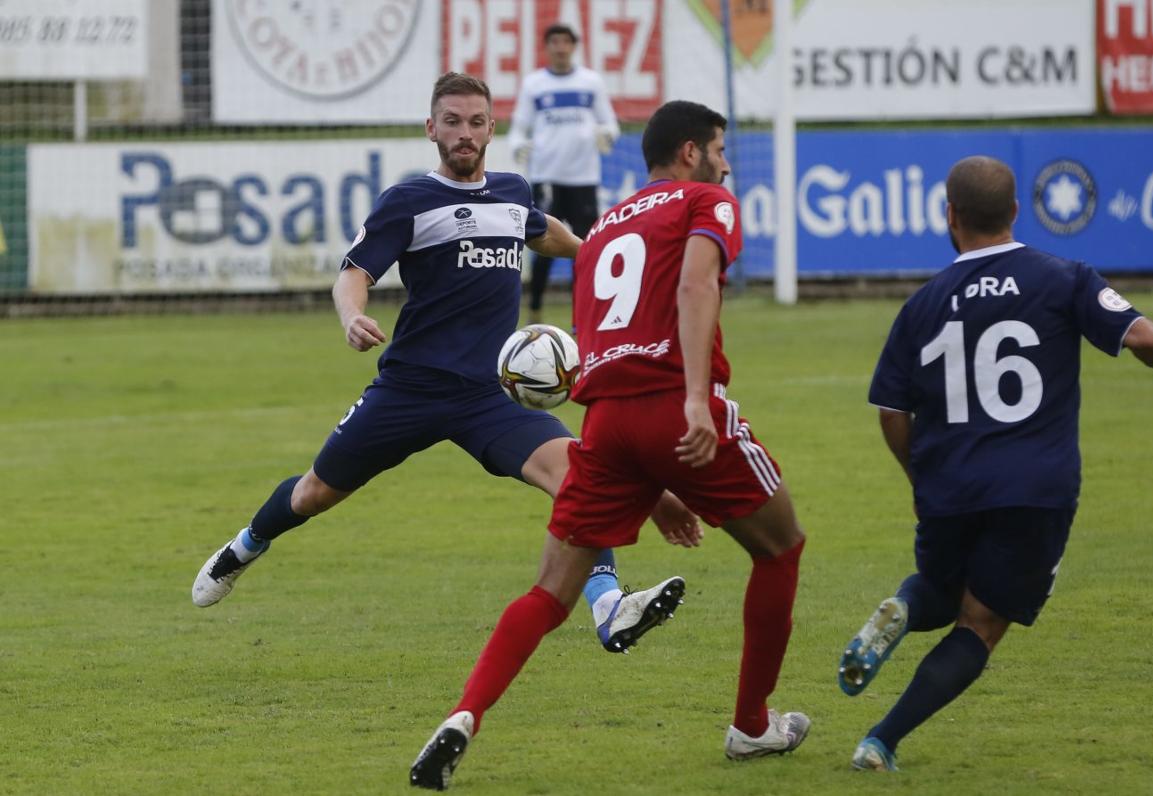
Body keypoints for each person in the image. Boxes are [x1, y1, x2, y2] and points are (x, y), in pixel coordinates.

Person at [191, 72, 702, 656]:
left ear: (492, 128)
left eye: (476, 122)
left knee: (580, 480)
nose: (465, 133)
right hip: (410, 388)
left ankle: (610, 608)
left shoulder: (513, 192)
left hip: (494, 396)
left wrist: (597, 253)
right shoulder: (409, 202)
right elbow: (353, 273)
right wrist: (351, 316)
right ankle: (245, 547)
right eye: (453, 122)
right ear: (431, 128)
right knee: (314, 493)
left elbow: (543, 233)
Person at [410, 100, 809, 791]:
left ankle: (463, 715)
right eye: (718, 149)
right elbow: (694, 284)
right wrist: (692, 400)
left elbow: (596, 344)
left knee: (549, 592)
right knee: (781, 547)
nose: (725, 163)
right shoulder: (706, 201)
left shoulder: (600, 232)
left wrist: (650, 486)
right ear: (689, 153)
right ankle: (751, 725)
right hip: (673, 404)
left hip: (605, 423)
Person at [838, 155, 1153, 772]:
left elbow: (890, 413)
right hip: (1036, 488)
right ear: (1014, 212)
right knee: (980, 623)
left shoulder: (922, 305)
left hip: (948, 486)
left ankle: (904, 606)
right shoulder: (1063, 276)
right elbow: (1148, 338)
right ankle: (881, 740)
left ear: (949, 217)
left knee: (943, 591)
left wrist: (918, 476)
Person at [508, 22, 619, 324]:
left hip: (583, 178)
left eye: (565, 41)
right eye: (554, 41)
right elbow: (518, 128)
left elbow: (610, 123)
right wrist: (519, 146)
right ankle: (534, 311)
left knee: (585, 247)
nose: (560, 47)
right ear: (547, 47)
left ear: (573, 46)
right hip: (547, 176)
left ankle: (583, 312)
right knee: (541, 245)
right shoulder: (534, 84)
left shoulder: (590, 82)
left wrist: (605, 135)